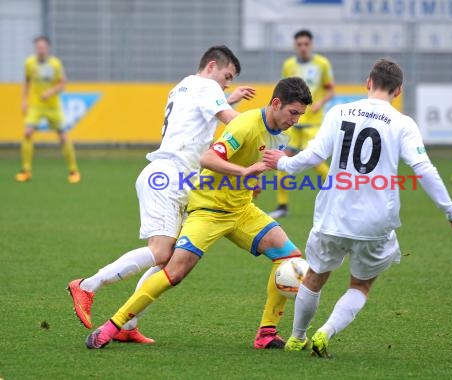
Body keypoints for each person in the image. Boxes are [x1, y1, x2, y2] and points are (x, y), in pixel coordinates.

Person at [85, 77, 313, 350]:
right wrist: (243, 172)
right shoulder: (245, 125)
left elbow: (254, 162)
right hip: (208, 210)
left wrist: (252, 182)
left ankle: (266, 333)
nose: (296, 120)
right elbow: (207, 159)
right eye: (293, 112)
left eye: (300, 114)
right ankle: (112, 326)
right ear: (276, 103)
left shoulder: (282, 133)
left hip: (241, 210)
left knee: (288, 257)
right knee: (175, 273)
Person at [263, 59, 452, 358]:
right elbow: (423, 169)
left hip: (333, 215)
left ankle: (297, 336)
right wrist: (451, 211)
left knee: (315, 276)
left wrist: (283, 163)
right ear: (398, 90)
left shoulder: (339, 112)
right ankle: (327, 331)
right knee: (360, 285)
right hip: (374, 222)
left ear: (368, 82)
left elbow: (314, 154)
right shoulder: (402, 123)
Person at [68, 45, 255, 343]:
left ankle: (128, 327)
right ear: (211, 66)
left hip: (176, 178)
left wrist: (228, 98)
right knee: (161, 253)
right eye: (227, 75)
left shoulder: (184, 86)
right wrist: (263, 124)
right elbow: (235, 122)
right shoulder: (207, 86)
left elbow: (199, 116)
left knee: (167, 263)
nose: (227, 83)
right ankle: (87, 285)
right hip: (168, 177)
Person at [268, 29, 334, 219]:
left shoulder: (322, 64)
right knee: (281, 160)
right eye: (299, 44)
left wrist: (319, 103)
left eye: (306, 44)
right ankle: (282, 206)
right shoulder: (289, 65)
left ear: (311, 45)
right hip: (291, 124)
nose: (303, 47)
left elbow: (330, 90)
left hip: (312, 124)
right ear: (295, 46)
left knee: (316, 162)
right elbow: (283, 91)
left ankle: (338, 197)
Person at [16, 36, 80, 184]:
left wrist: (49, 92)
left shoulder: (55, 64)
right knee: (27, 133)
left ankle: (73, 170)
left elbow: (63, 84)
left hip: (53, 107)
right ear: (35, 49)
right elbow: (26, 81)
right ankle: (25, 171)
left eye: (43, 47)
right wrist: (24, 100)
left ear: (48, 48)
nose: (40, 50)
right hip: (36, 105)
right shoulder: (29, 63)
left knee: (63, 136)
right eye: (38, 47)